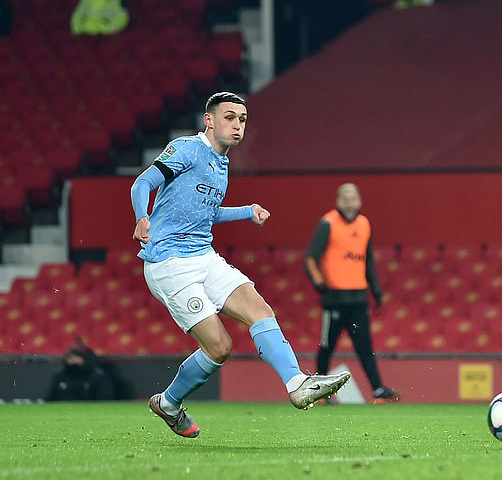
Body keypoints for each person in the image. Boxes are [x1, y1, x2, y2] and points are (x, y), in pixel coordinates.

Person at [130, 92, 349, 439]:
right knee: (219, 348)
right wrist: (142, 217)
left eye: (242, 119)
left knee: (258, 308)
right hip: (169, 262)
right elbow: (143, 182)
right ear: (209, 120)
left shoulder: (221, 163)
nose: (237, 125)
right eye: (229, 117)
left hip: (203, 255)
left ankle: (297, 384)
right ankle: (169, 404)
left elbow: (206, 213)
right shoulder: (186, 149)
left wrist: (248, 211)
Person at [305, 183, 399, 401]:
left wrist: (375, 289)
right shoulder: (327, 223)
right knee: (326, 346)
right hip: (334, 299)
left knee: (365, 347)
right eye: (345, 198)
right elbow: (311, 257)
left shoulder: (364, 224)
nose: (350, 202)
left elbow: (368, 259)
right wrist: (319, 283)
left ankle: (378, 390)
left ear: (359, 201)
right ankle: (319, 393)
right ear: (338, 201)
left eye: (353, 198)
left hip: (358, 298)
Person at [47, 341, 113, 401]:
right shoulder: (60, 376)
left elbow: (104, 398)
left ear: (84, 359)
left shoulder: (96, 376)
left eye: (77, 357)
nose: (73, 360)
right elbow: (52, 397)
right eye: (70, 357)